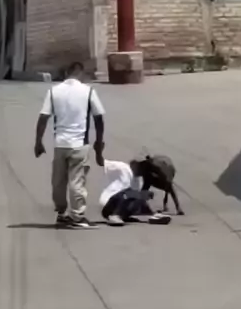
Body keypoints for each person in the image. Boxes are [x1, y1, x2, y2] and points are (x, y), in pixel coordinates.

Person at [34, 61, 105, 229]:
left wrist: (38, 142)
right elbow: (99, 117)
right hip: (79, 144)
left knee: (58, 181)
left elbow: (43, 117)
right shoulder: (88, 91)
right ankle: (77, 216)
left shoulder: (54, 91)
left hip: (60, 144)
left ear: (67, 72)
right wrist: (98, 142)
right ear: (81, 73)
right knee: (77, 181)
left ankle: (61, 213)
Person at [100, 159, 171, 226]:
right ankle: (114, 216)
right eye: (141, 166)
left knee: (139, 199)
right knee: (131, 193)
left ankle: (152, 216)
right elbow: (101, 162)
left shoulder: (137, 181)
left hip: (121, 202)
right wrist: (98, 153)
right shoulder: (123, 168)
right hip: (108, 203)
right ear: (134, 164)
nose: (143, 169)